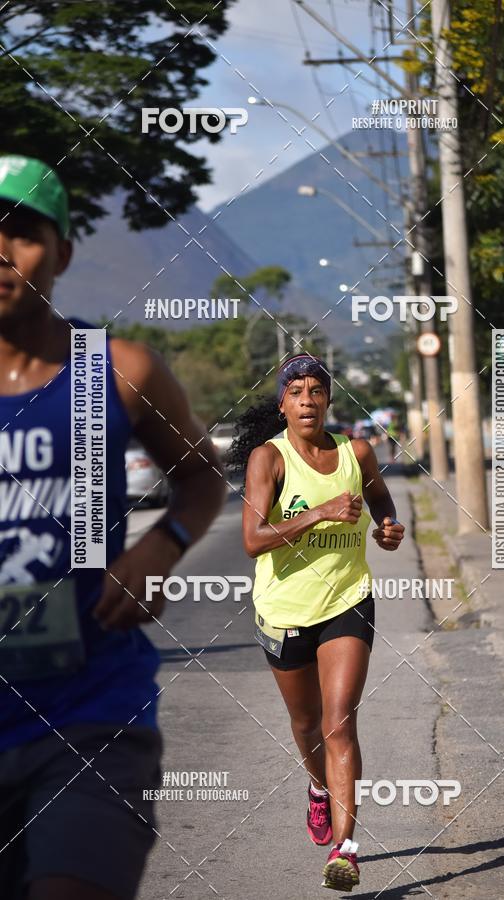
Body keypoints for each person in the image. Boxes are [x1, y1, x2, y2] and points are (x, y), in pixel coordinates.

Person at [0, 155, 226, 900]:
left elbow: (199, 475)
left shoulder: (117, 371)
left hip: (92, 717)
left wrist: (166, 543)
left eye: (21, 232)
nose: (0, 251)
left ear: (61, 250)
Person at [230, 354, 405, 891]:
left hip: (347, 601)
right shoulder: (269, 459)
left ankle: (346, 851)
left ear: (328, 400)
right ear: (283, 403)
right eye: (297, 391)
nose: (308, 399)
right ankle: (316, 787)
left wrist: (388, 525)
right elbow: (253, 540)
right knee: (306, 726)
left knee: (338, 721)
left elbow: (378, 496)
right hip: (284, 611)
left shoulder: (357, 451)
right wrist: (316, 514)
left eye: (316, 390)